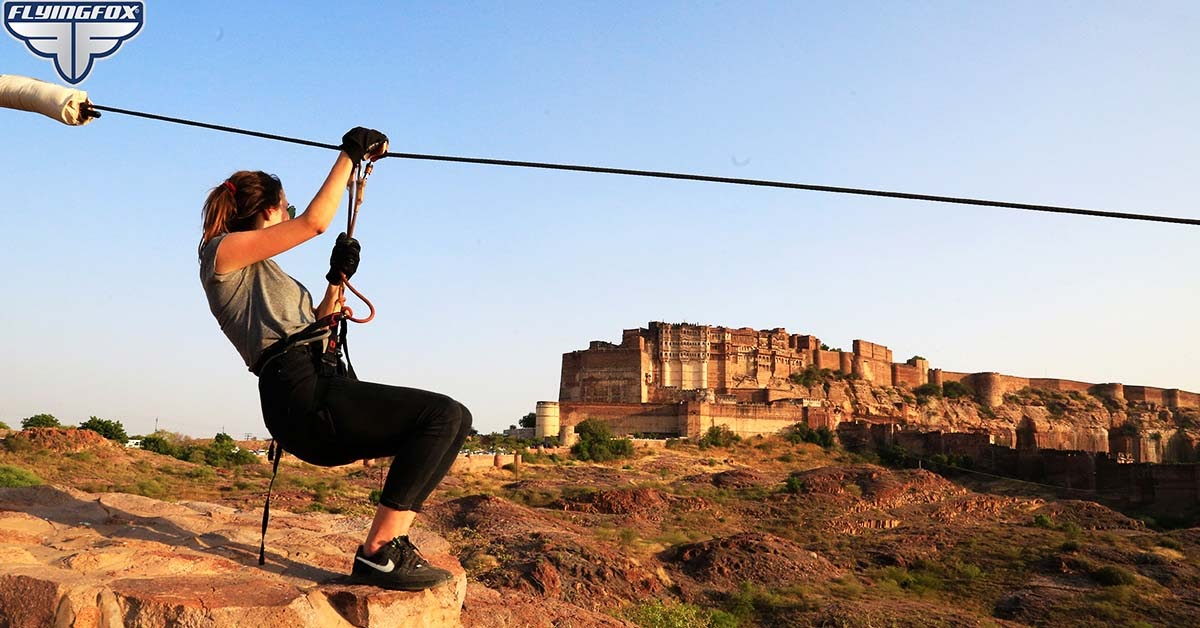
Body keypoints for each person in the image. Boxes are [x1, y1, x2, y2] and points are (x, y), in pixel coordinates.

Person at [197, 128, 472, 591]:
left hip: (311, 384)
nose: (290, 212)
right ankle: (378, 552)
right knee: (441, 416)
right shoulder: (220, 253)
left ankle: (387, 548)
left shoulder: (264, 272)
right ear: (268, 210)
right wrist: (349, 155)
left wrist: (335, 279)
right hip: (298, 391)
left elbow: (314, 324)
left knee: (452, 420)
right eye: (286, 205)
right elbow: (314, 223)